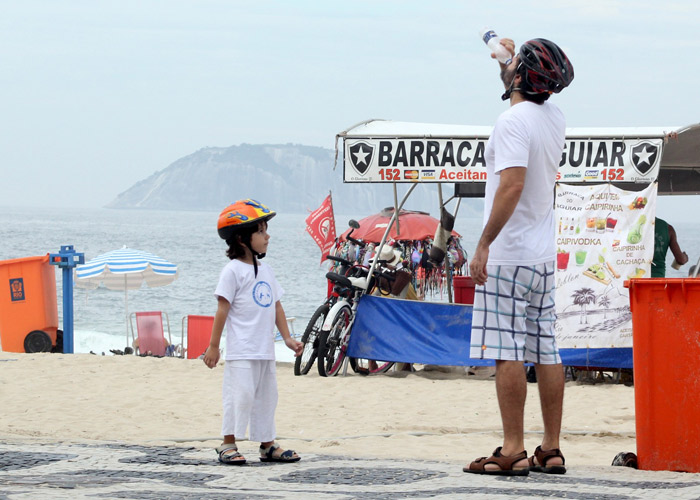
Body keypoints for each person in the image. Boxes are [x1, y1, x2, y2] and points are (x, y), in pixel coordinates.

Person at [463, 38, 574, 476]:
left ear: (523, 76)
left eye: (515, 66)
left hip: (508, 255)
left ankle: (512, 449)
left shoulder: (511, 121)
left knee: (505, 350)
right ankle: (551, 447)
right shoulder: (554, 117)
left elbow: (511, 185)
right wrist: (506, 57)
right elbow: (517, 77)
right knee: (546, 349)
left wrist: (484, 242)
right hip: (542, 254)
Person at [203, 198, 304, 465]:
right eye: (260, 231)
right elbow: (222, 310)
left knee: (267, 398)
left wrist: (288, 338)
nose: (267, 236)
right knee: (240, 396)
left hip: (265, 349)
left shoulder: (266, 270)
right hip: (242, 351)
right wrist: (214, 346)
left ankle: (267, 444)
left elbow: (277, 307)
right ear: (241, 239)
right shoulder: (232, 271)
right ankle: (227, 444)